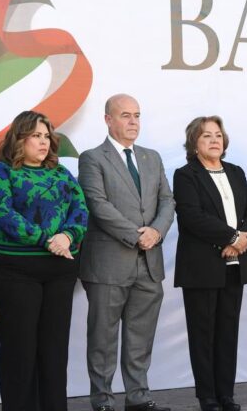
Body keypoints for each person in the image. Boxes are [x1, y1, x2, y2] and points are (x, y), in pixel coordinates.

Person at [0, 110, 88, 411]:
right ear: (19, 138)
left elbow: (80, 210)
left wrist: (67, 236)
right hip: (16, 272)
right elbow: (3, 214)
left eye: (46, 136)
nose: (44, 142)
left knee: (54, 350)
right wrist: (46, 240)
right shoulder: (1, 173)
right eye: (36, 136)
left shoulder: (61, 174)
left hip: (60, 271)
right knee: (20, 350)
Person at [79, 94, 175, 411]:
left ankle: (138, 396)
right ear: (108, 119)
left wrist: (157, 231)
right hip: (109, 264)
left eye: (137, 115)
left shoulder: (152, 157)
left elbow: (167, 201)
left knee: (140, 336)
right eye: (125, 116)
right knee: (103, 338)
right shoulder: (92, 158)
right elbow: (98, 204)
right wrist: (137, 236)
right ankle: (102, 400)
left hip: (149, 264)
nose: (133, 122)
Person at [173, 116, 247, 411]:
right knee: (203, 334)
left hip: (235, 264)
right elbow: (192, 216)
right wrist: (232, 238)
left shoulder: (235, 171)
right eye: (206, 136)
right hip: (202, 266)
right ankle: (207, 396)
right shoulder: (186, 175)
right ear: (194, 144)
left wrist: (243, 238)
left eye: (218, 135)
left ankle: (226, 394)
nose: (214, 140)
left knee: (227, 332)